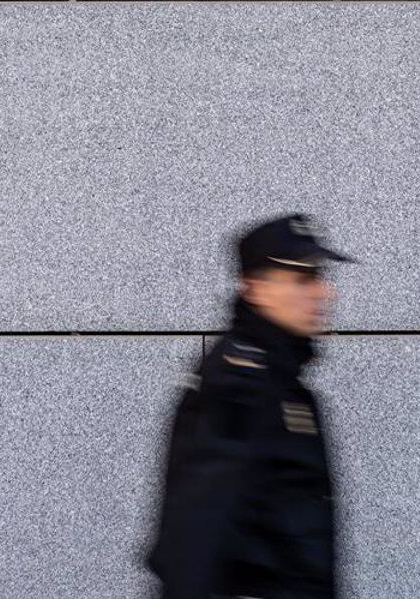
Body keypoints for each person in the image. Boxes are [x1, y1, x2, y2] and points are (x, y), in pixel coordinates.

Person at [145, 212, 354, 599]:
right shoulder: (240, 385)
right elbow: (195, 536)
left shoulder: (282, 382)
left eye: (321, 277)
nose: (325, 293)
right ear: (254, 288)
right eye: (303, 279)